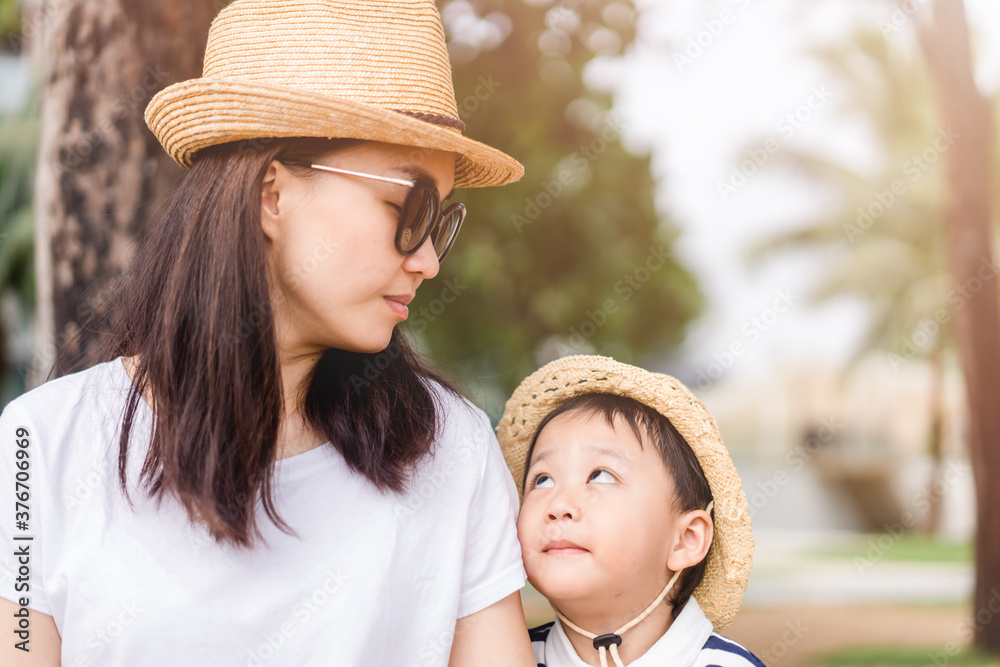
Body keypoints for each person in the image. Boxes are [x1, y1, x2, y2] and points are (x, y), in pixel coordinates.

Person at [0, 0, 537, 665]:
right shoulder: (39, 447)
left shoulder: (450, 450)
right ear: (271, 195)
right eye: (409, 208)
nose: (428, 259)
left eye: (441, 221)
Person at [497, 355, 766, 667]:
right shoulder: (505, 656)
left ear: (686, 540)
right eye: (542, 480)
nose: (558, 505)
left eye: (600, 475)